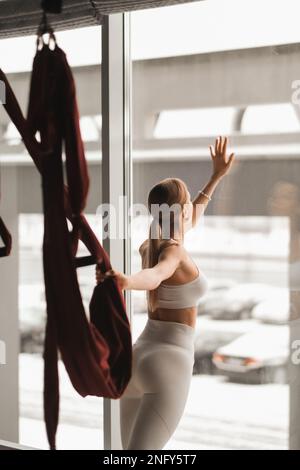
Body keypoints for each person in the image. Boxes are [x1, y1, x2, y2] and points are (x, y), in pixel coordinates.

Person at [95, 136, 235, 449]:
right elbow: (155, 276)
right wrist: (127, 282)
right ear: (180, 210)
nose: (191, 210)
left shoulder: (151, 244)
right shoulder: (173, 253)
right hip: (169, 362)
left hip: (139, 357)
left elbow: (195, 213)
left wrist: (216, 176)